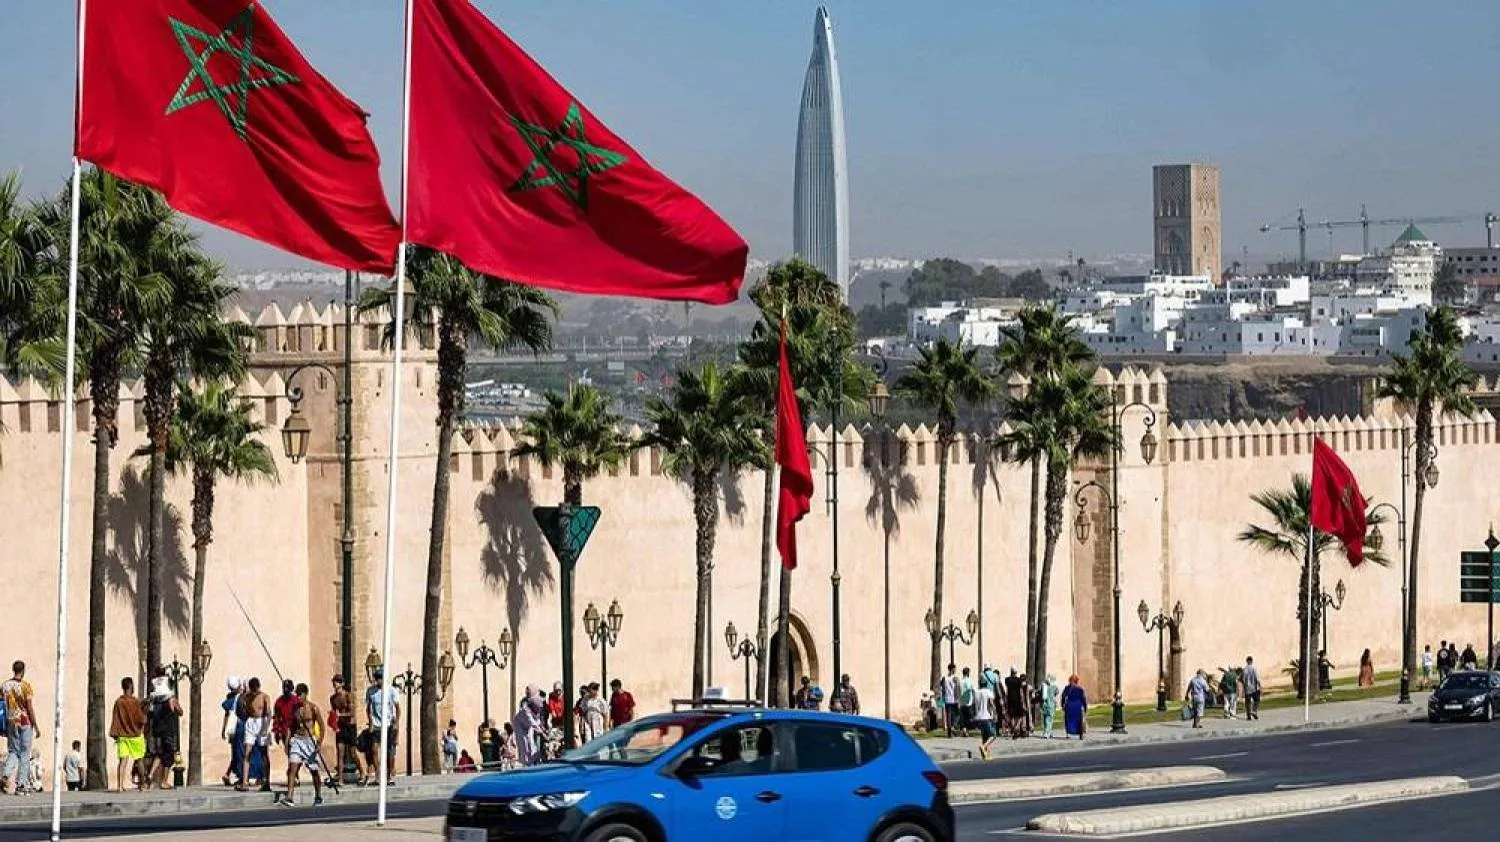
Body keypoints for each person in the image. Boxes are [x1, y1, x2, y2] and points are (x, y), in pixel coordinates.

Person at [280, 683, 325, 807]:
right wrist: (287, 741)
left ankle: (318, 795)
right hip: (297, 741)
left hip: (310, 741)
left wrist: (319, 742)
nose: (298, 697)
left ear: (305, 694)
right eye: (297, 694)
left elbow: (322, 726)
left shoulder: (313, 708)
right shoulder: (295, 709)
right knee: (292, 768)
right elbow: (291, 726)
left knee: (314, 771)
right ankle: (289, 797)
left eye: (300, 694)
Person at [1, 661, 38, 796]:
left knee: (13, 751)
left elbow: (2, 705)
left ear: (13, 669)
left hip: (11, 721)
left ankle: (6, 774)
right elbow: (29, 707)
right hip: (24, 721)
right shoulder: (25, 686)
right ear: (23, 670)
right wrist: (36, 725)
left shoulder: (4, 686)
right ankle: (21, 784)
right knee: (24, 752)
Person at [143, 670, 181, 790]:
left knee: (159, 754)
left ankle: (150, 774)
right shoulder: (170, 699)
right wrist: (177, 706)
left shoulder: (155, 700)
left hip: (157, 730)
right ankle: (164, 782)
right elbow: (180, 711)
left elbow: (148, 713)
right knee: (169, 757)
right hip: (168, 731)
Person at [109, 677, 147, 792]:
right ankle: (142, 785)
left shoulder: (118, 702)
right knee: (139, 760)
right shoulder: (135, 702)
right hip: (135, 735)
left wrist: (114, 733)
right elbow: (141, 719)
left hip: (122, 736)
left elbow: (115, 718)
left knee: (122, 761)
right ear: (131, 686)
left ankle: (120, 786)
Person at [330, 675, 366, 787]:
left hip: (350, 726)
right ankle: (340, 778)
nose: (335, 685)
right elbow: (334, 712)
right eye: (334, 682)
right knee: (340, 753)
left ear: (342, 683)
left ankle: (362, 772)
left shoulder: (348, 696)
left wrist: (340, 715)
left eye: (337, 682)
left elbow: (352, 713)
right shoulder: (333, 698)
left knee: (352, 753)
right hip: (341, 726)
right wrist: (333, 721)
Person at [364, 669, 399, 784]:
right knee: (374, 750)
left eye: (381, 678)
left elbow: (397, 708)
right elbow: (368, 709)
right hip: (376, 725)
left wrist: (396, 723)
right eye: (377, 678)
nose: (379, 680)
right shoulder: (371, 691)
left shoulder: (391, 691)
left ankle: (389, 775)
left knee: (389, 751)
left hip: (388, 724)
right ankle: (378, 775)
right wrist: (371, 722)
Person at [238, 677, 272, 792]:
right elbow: (243, 708)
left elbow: (269, 713)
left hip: (262, 722)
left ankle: (267, 781)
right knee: (247, 752)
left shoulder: (264, 697)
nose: (254, 691)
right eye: (252, 689)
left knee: (264, 753)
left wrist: (265, 727)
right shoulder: (247, 696)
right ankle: (244, 782)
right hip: (251, 722)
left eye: (255, 689)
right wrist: (243, 696)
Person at [971, 675, 997, 760]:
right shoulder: (988, 692)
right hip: (986, 716)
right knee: (993, 735)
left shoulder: (977, 692)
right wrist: (995, 713)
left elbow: (974, 704)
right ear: (986, 684)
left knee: (984, 736)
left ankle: (986, 755)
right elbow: (991, 703)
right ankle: (983, 746)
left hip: (978, 717)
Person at [1061, 675, 1087, 740]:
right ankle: (1081, 735)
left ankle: (1068, 733)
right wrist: (1085, 707)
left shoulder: (1067, 688)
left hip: (1069, 706)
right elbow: (1083, 699)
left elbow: (1063, 697)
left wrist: (1062, 705)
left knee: (1068, 720)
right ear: (1077, 681)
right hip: (1077, 706)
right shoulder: (1080, 689)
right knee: (1079, 721)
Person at [1002, 668, 1025, 739]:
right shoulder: (1019, 680)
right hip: (1017, 699)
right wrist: (1022, 700)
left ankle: (1014, 729)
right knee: (1020, 715)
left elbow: (1007, 690)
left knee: (1011, 716)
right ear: (1016, 672)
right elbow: (1021, 691)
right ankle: (1016, 727)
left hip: (1010, 699)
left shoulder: (1007, 680)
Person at [937, 666, 959, 737]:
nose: (955, 670)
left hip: (947, 699)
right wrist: (958, 698)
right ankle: (953, 726)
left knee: (948, 715)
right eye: (954, 669)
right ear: (952, 669)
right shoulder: (955, 678)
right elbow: (957, 688)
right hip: (954, 699)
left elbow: (942, 687)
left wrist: (943, 696)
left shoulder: (944, 678)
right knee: (956, 714)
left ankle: (949, 732)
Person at [1242, 656, 1262, 721]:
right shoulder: (1254, 668)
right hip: (1254, 688)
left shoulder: (1244, 669)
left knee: (1247, 702)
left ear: (1247, 661)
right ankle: (1254, 711)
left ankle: (1248, 716)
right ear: (1252, 661)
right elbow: (1257, 678)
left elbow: (1243, 679)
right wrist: (1260, 686)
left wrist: (1244, 688)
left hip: (1247, 688)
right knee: (1257, 700)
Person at [958, 667, 975, 733]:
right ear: (968, 673)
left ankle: (964, 729)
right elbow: (971, 689)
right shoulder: (969, 680)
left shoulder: (960, 681)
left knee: (963, 717)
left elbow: (958, 691)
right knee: (968, 717)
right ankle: (967, 730)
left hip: (962, 701)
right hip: (969, 701)